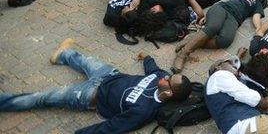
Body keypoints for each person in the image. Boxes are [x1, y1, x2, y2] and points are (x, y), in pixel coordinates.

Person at [0, 39, 192, 133]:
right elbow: (153, 69)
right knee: (83, 59)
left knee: (42, 98)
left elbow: (112, 127)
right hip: (109, 75)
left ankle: (4, 101)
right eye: (170, 76)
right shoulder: (161, 76)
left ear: (167, 93)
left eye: (168, 81)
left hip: (90, 95)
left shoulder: (143, 110)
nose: (165, 77)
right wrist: (147, 57)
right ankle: (63, 55)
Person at [172, 0, 264, 72]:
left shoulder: (256, 3)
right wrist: (207, 17)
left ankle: (191, 39)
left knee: (225, 41)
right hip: (222, 8)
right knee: (213, 27)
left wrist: (258, 28)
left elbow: (256, 16)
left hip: (234, 19)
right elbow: (224, 4)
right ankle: (183, 54)